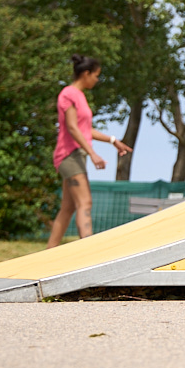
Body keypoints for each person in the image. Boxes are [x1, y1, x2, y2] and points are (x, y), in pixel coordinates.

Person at [46, 53, 132, 249]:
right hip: (69, 154)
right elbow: (72, 127)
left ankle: (48, 254)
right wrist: (93, 154)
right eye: (96, 75)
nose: (97, 79)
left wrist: (113, 141)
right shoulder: (68, 94)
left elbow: (85, 130)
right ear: (86, 73)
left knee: (67, 208)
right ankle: (89, 252)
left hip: (76, 154)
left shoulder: (80, 96)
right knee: (85, 202)